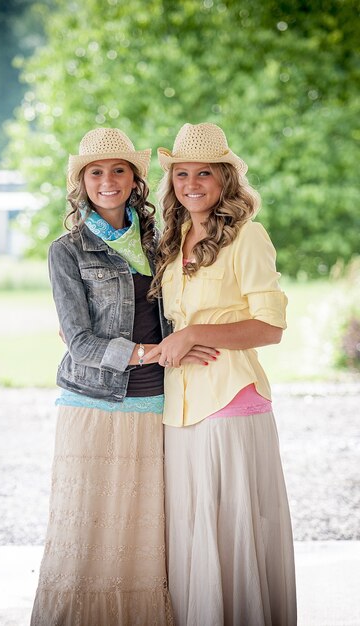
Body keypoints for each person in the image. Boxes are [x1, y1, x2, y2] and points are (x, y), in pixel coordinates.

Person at [30, 127, 214, 626]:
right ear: (82, 182)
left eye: (118, 170)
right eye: (96, 171)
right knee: (87, 532)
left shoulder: (164, 241)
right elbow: (80, 341)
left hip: (158, 403)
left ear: (134, 180)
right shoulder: (66, 251)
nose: (107, 181)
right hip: (92, 403)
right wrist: (155, 352)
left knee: (142, 533)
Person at [145, 122, 297, 626]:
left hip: (231, 401)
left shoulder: (248, 236)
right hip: (178, 408)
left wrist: (195, 334)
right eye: (182, 174)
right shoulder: (175, 238)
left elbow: (270, 327)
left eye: (204, 173)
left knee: (232, 534)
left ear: (225, 179)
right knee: (193, 533)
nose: (191, 183)